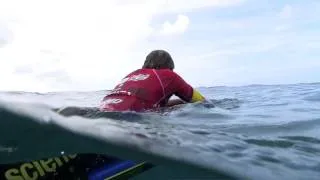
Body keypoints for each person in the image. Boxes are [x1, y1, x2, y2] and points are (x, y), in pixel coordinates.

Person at [99, 49, 206, 112]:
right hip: (130, 117)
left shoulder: (133, 74)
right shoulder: (169, 75)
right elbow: (201, 101)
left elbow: (139, 98)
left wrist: (179, 102)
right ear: (170, 67)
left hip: (103, 110)